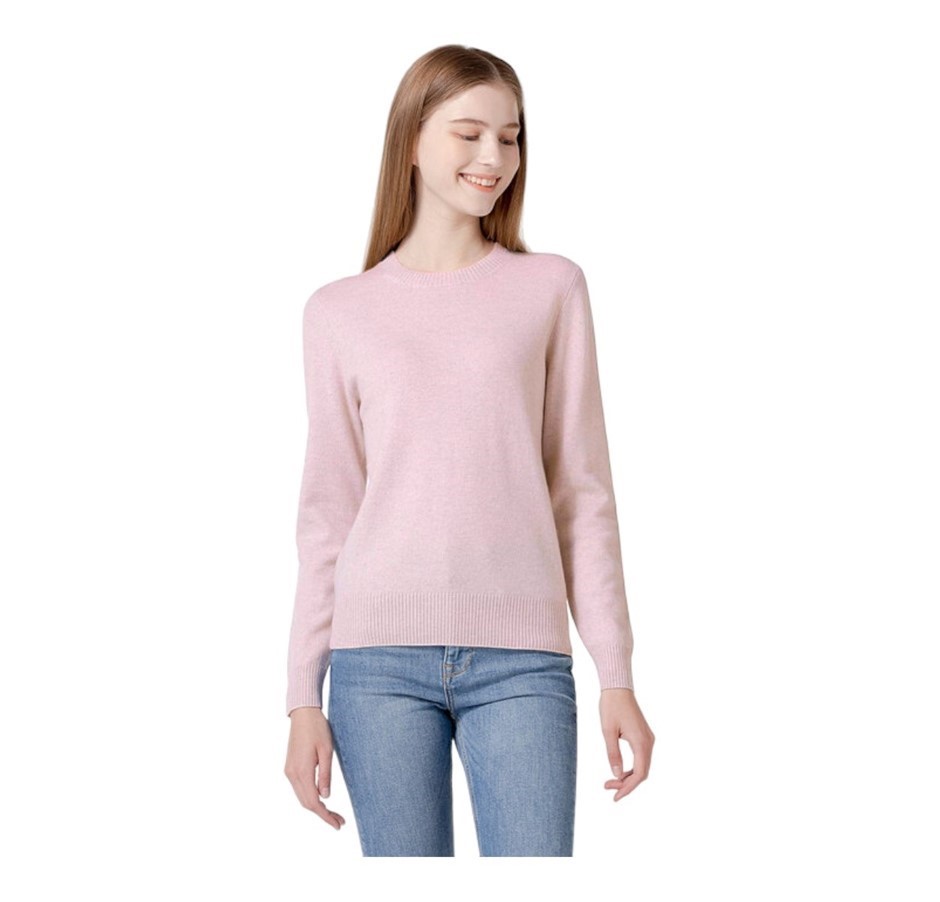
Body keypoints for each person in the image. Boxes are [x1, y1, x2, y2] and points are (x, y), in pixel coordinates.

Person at [283, 44, 654, 857]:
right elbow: (328, 513)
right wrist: (302, 694)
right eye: (470, 133)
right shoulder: (338, 312)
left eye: (510, 137)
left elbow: (582, 492)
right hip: (374, 665)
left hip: (523, 663)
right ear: (412, 140)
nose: (495, 157)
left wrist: (616, 671)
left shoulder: (551, 287)